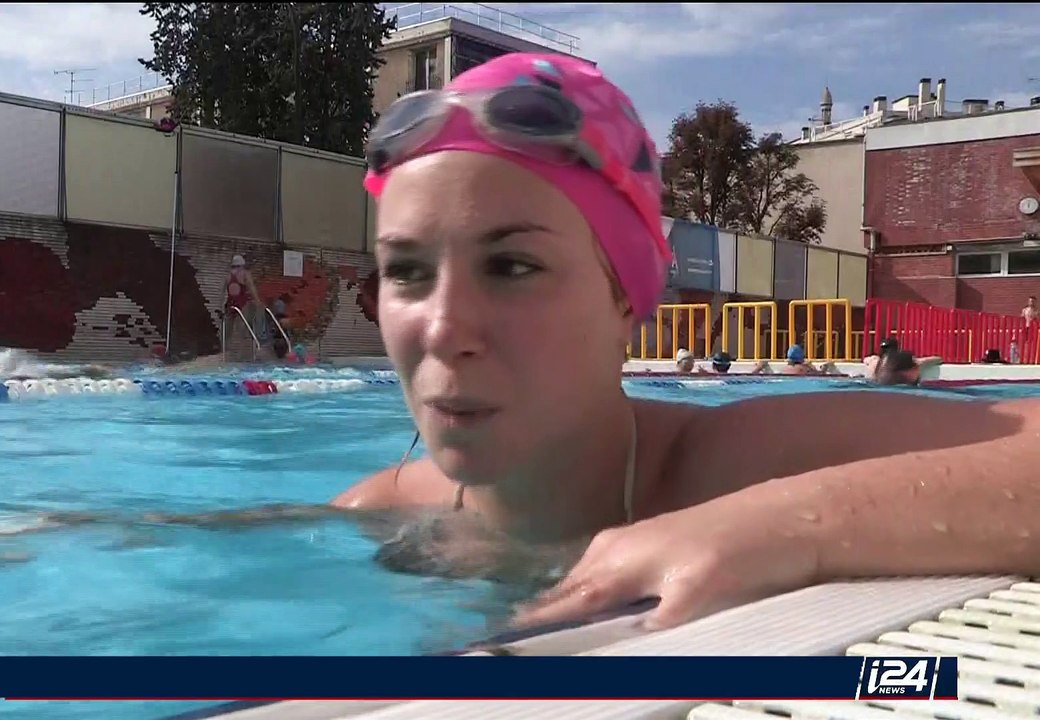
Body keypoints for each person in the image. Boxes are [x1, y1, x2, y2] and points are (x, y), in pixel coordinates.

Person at [329, 52, 1040, 631]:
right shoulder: (377, 510)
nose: (444, 328)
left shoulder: (730, 465)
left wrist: (780, 526)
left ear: (626, 300)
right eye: (408, 272)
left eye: (512, 266)